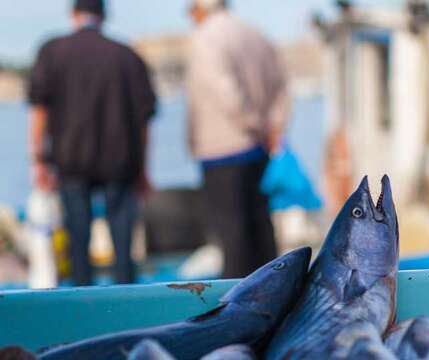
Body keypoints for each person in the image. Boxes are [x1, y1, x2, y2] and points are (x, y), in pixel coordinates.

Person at [28, 0, 156, 285]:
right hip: (121, 163)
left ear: (73, 14)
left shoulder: (53, 51)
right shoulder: (127, 56)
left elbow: (39, 110)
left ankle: (82, 303)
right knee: (123, 243)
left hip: (70, 160)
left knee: (77, 239)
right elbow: (144, 119)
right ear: (103, 16)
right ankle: (127, 305)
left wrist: (37, 160)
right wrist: (144, 169)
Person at [187, 0, 290, 278]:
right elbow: (281, 86)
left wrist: (253, 123)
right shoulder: (255, 34)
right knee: (260, 228)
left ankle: (237, 304)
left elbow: (226, 92)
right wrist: (272, 129)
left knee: (232, 235)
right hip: (258, 149)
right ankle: (275, 287)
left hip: (223, 149)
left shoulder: (205, 37)